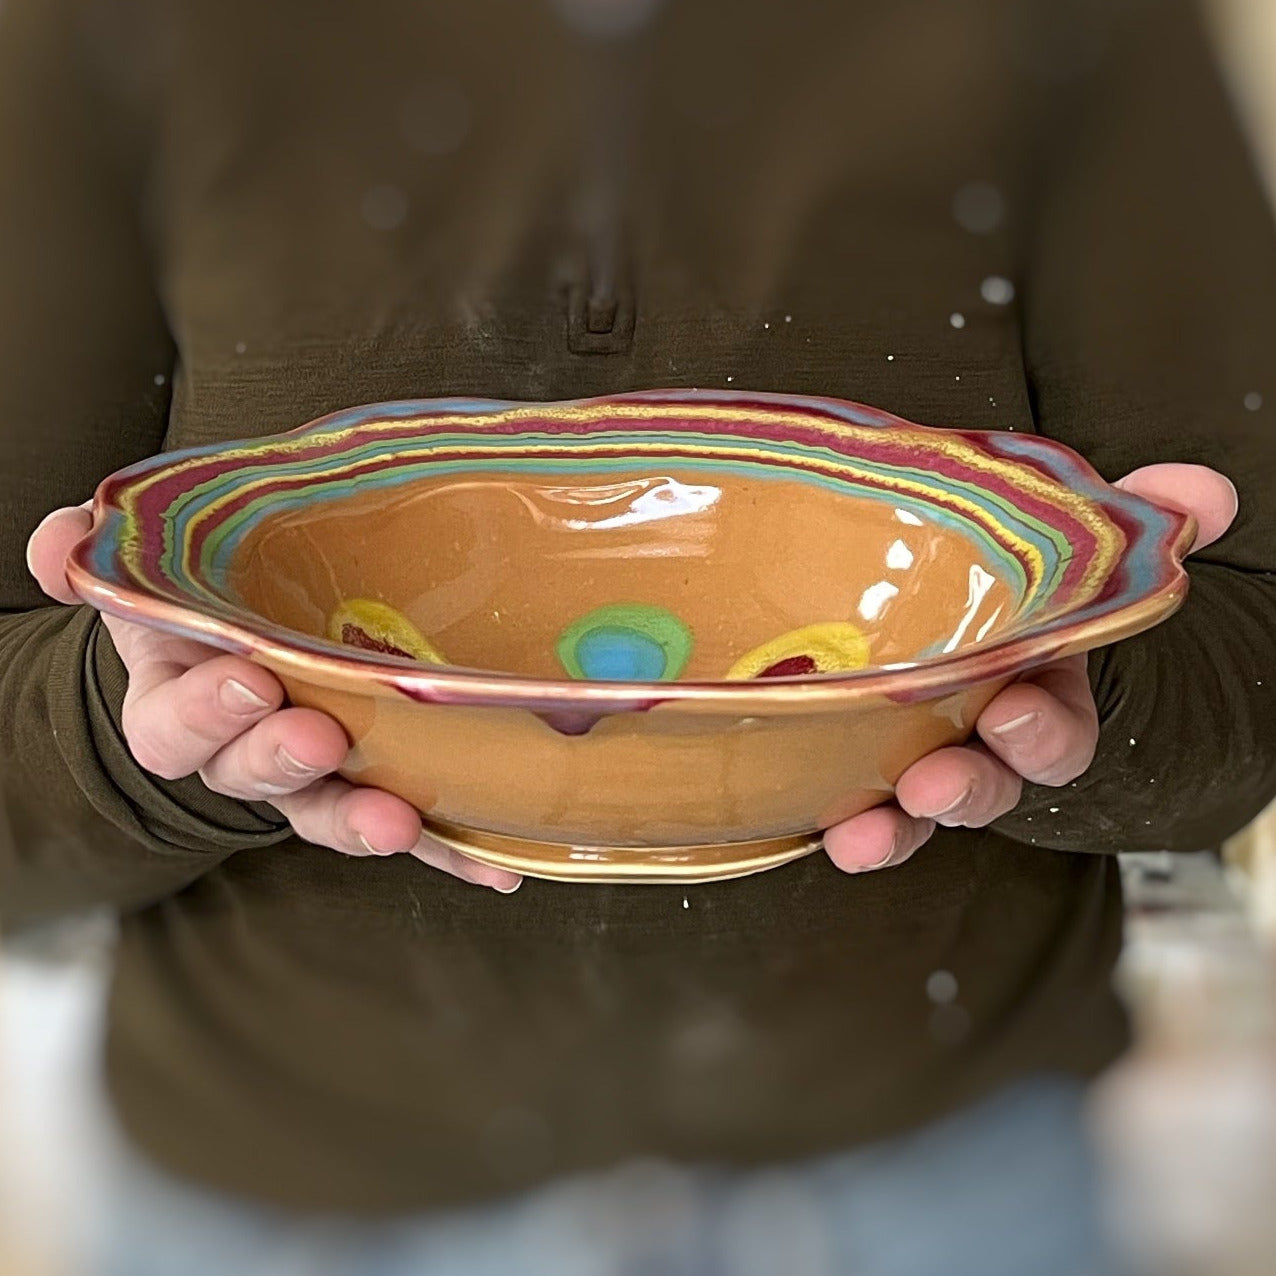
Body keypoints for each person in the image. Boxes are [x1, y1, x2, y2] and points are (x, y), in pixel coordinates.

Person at [2, 0, 1274, 1271]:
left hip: (937, 1180)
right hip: (292, 1194)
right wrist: (141, 732)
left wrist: (1081, 682)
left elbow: (1242, 666)